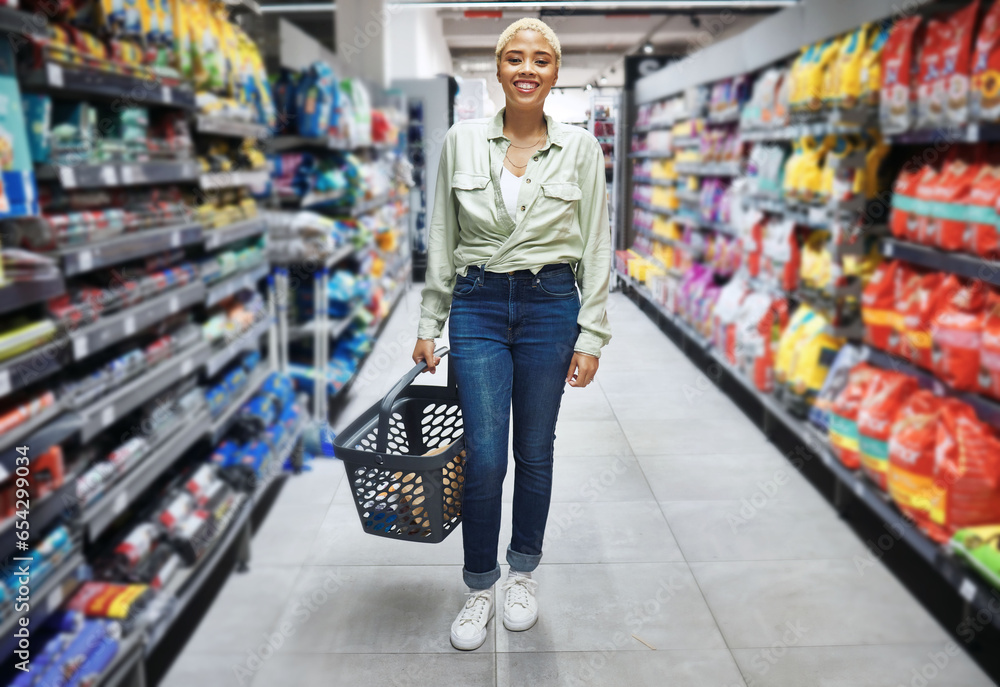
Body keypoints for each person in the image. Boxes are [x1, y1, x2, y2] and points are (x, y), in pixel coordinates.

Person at [412, 17, 612, 651]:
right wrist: (428, 321)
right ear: (497, 70)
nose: (528, 69)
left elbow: (598, 246)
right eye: (516, 59)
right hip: (478, 304)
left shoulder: (582, 149)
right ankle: (479, 584)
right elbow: (443, 236)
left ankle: (521, 573)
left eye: (542, 60)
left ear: (556, 73)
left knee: (535, 448)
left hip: (553, 304)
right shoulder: (462, 140)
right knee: (485, 455)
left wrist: (592, 333)